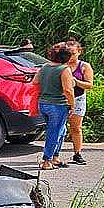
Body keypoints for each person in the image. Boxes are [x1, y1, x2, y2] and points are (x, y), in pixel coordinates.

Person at [31, 42, 75, 170]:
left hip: (43, 104)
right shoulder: (64, 69)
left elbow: (35, 81)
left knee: (61, 131)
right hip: (58, 105)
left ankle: (55, 157)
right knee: (54, 132)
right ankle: (47, 160)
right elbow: (68, 90)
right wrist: (72, 105)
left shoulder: (44, 67)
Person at [65, 40, 93, 164]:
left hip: (78, 98)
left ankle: (77, 153)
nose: (70, 57)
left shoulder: (84, 66)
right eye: (67, 53)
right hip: (62, 98)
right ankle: (53, 155)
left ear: (79, 52)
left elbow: (90, 85)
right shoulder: (62, 65)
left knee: (76, 127)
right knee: (59, 127)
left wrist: (76, 81)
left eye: (73, 53)